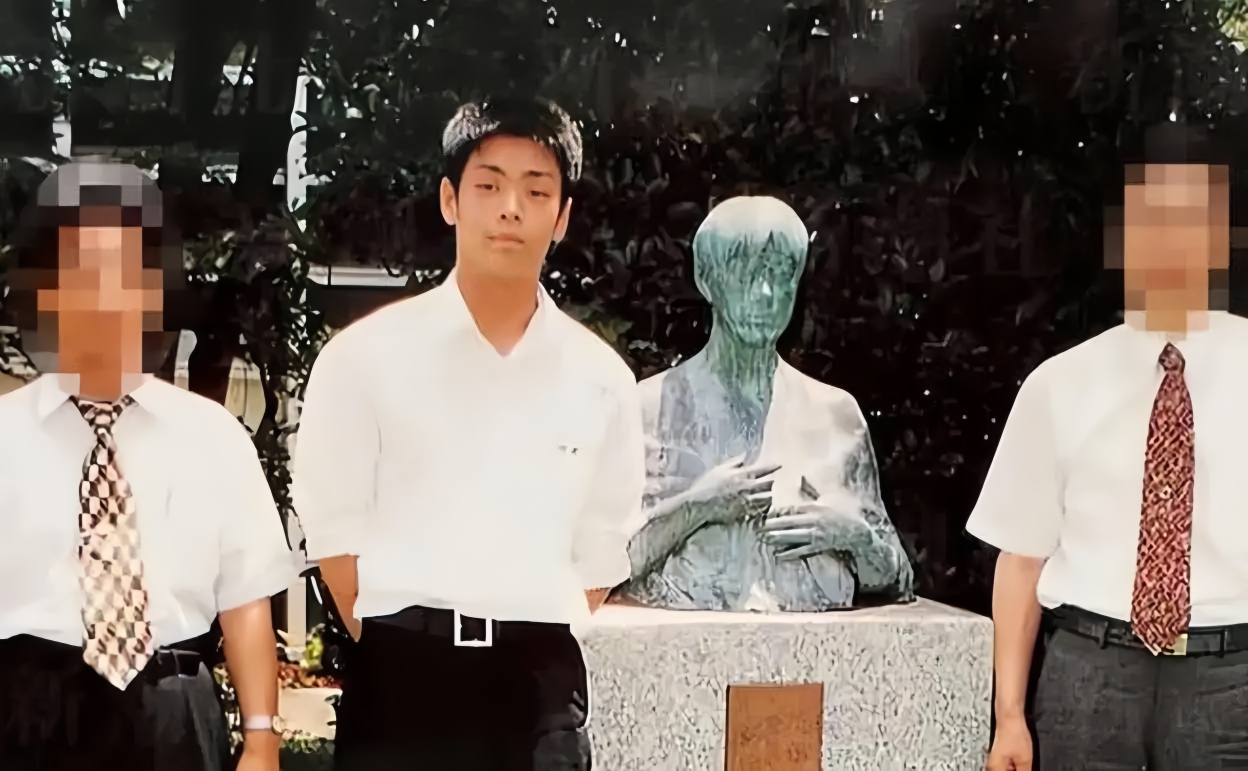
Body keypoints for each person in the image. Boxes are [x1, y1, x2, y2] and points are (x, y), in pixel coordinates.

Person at [291, 97, 644, 770]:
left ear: (562, 216)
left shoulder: (602, 379)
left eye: (535, 190)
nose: (510, 208)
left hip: (538, 694)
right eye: (488, 185)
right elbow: (335, 538)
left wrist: (521, 622)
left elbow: (600, 553)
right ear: (450, 200)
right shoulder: (364, 358)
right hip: (402, 684)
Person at [0, 162, 295, 771]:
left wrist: (262, 741)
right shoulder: (6, 434)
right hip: (27, 709)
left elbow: (245, 600)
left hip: (174, 710)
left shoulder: (213, 436)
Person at [972, 123, 1248, 770]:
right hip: (1090, 675)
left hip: (1231, 679)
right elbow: (1021, 559)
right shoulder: (1059, 382)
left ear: (1218, 239)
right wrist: (1008, 716)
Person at [615, 195, 913, 612]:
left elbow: (897, 580)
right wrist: (698, 507)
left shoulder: (836, 415)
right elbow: (605, 569)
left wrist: (853, 537)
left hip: (819, 643)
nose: (766, 294)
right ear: (706, 279)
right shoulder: (648, 408)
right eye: (746, 275)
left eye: (782, 275)